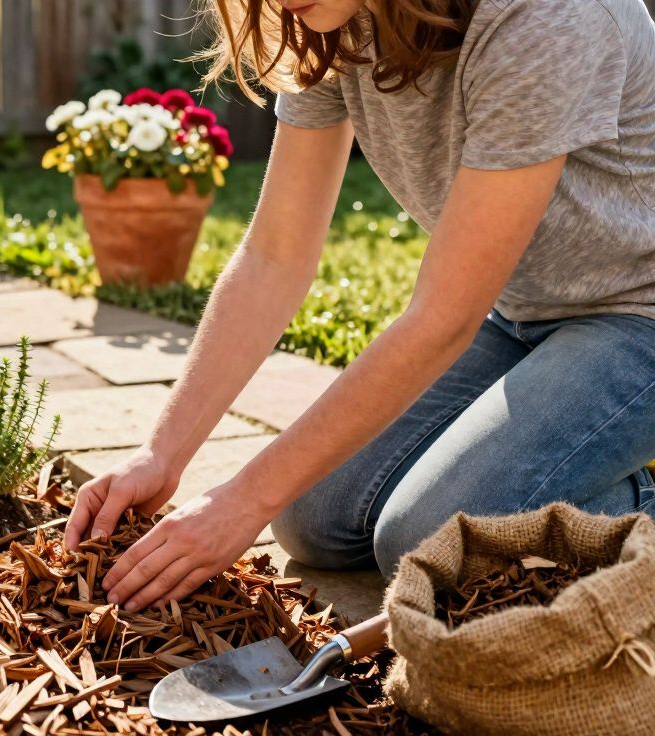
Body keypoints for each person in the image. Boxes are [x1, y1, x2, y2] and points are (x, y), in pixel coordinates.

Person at [64, 0, 655, 612]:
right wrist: (163, 453)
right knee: (312, 515)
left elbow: (442, 319)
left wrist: (243, 500)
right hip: (524, 310)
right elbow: (275, 257)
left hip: (642, 316)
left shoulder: (546, 17)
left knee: (426, 538)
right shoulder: (336, 23)